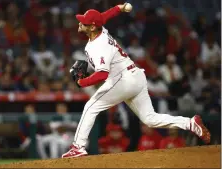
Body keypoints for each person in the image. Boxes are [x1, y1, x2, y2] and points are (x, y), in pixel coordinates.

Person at [62, 2, 211, 158]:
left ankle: (78, 147)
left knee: (90, 107)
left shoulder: (98, 46)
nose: (80, 22)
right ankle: (190, 123)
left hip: (123, 80)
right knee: (150, 119)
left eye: (83, 21)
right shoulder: (101, 30)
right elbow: (104, 17)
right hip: (136, 76)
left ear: (92, 27)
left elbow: (102, 75)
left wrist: (82, 83)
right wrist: (119, 8)